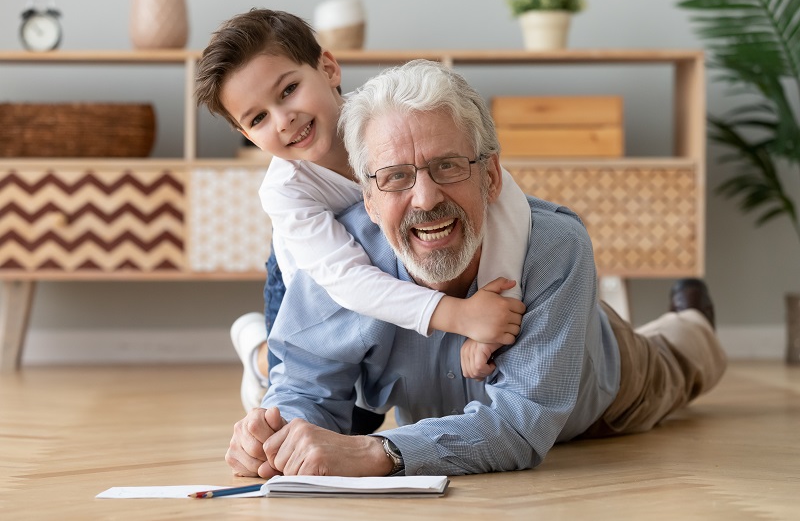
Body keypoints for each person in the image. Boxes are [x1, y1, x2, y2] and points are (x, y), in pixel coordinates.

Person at [223, 60, 727, 479]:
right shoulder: (340, 262)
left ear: (490, 175)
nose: (425, 198)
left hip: (607, 396)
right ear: (368, 196)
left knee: (681, 361)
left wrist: (380, 452)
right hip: (452, 428)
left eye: (448, 166)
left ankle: (694, 322)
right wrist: (277, 432)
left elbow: (520, 424)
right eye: (396, 177)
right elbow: (307, 385)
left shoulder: (554, 246)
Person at [195, 9, 529, 414]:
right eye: (259, 118)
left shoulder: (388, 119)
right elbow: (346, 280)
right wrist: (458, 317)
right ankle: (258, 352)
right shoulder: (285, 191)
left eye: (288, 90)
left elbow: (504, 198)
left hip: (391, 261)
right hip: (312, 284)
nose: (284, 120)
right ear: (245, 134)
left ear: (329, 67)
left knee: (386, 384)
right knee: (350, 413)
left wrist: (497, 309)